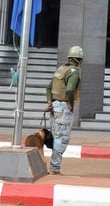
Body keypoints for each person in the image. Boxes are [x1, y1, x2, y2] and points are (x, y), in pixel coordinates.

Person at [45, 45, 83, 175]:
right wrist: (70, 104)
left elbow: (48, 87)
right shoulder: (73, 72)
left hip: (55, 106)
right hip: (63, 107)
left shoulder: (61, 69)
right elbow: (70, 90)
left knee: (56, 136)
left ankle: (54, 166)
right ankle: (54, 167)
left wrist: (50, 102)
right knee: (62, 138)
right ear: (79, 60)